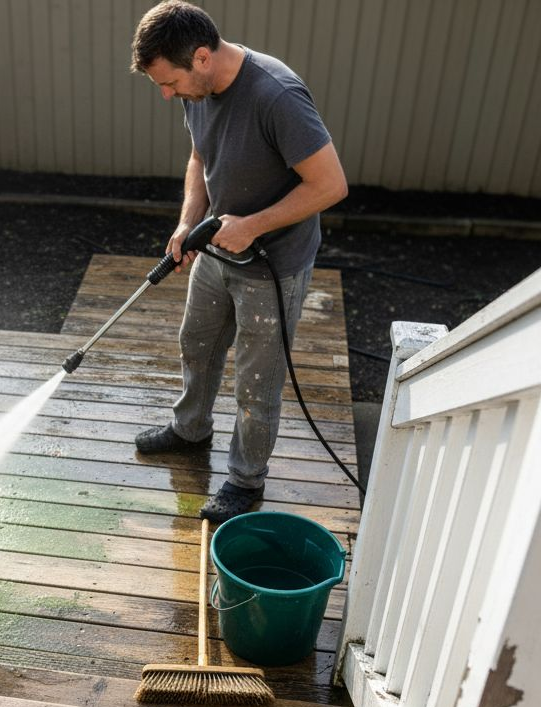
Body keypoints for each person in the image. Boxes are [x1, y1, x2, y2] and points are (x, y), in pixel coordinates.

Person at [129, 0, 348, 522]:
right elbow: (200, 156)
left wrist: (251, 225)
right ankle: (190, 430)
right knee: (197, 343)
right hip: (216, 246)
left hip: (273, 263)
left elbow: (331, 185)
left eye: (169, 83)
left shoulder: (277, 96)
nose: (166, 95)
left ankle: (245, 482)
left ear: (201, 57)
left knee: (256, 381)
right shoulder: (196, 88)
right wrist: (188, 222)